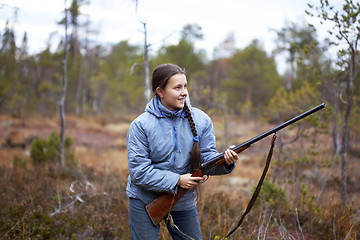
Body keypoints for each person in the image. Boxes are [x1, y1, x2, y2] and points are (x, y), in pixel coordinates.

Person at [126, 63, 239, 240]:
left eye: (185, 86)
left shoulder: (202, 120)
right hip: (144, 200)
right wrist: (177, 180)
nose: (184, 92)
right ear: (160, 92)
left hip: (183, 200)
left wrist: (225, 160)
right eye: (177, 87)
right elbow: (139, 172)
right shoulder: (141, 125)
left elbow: (206, 159)